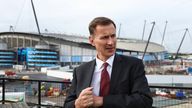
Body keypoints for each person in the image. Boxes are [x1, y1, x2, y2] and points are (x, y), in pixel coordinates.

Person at [64, 17, 153, 108]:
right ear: (91, 41)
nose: (111, 42)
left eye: (113, 36)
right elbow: (67, 104)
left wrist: (102, 101)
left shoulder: (133, 65)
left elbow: (144, 100)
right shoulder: (80, 71)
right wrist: (77, 104)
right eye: (105, 37)